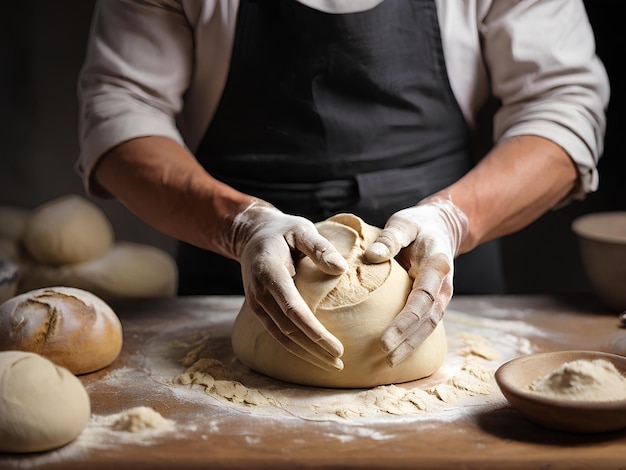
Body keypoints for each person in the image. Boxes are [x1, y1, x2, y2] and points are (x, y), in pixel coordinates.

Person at [76, 0, 609, 372]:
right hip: (230, 267)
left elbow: (563, 102)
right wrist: (239, 226)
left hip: (440, 268)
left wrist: (452, 218)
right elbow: (120, 107)